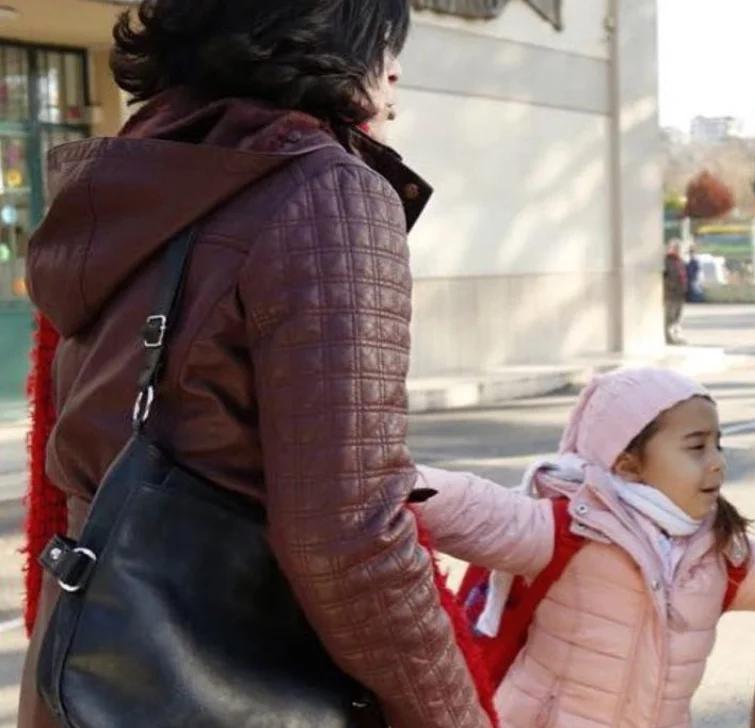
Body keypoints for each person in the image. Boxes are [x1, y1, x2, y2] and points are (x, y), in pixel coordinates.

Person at [18, 1, 493, 727]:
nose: (393, 68)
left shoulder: (138, 177)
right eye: (383, 39)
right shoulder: (323, 192)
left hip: (90, 671)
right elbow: (349, 539)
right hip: (232, 681)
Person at [412, 366, 755, 727]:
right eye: (696, 446)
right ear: (627, 461)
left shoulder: (715, 557)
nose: (717, 462)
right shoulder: (565, 531)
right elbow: (469, 506)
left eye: (718, 444)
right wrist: (375, 479)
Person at [664, 239, 688, 343]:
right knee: (670, 316)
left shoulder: (680, 261)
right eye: (676, 248)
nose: (678, 250)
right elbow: (665, 277)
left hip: (680, 293)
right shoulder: (667, 261)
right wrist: (670, 286)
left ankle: (676, 335)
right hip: (671, 293)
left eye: (679, 248)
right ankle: (669, 337)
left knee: (678, 316)